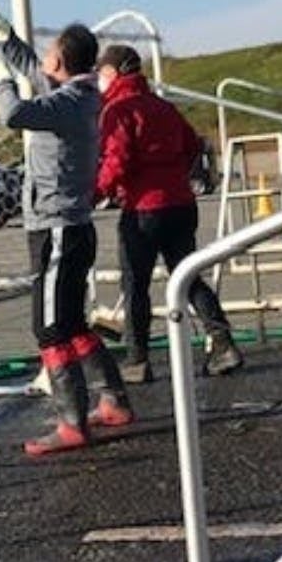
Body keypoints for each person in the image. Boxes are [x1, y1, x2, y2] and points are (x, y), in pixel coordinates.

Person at [0, 0, 132, 457]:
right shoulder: (78, 94)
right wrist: (2, 34)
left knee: (49, 329)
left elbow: (13, 114)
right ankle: (114, 400)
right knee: (71, 322)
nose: (42, 59)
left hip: (58, 229)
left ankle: (71, 423)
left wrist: (1, 81)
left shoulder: (68, 102)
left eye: (49, 53)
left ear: (60, 62)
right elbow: (33, 67)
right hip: (66, 226)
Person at [94, 44, 243, 382]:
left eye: (101, 73)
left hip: (143, 209)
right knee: (187, 276)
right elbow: (192, 145)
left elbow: (117, 159)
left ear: (112, 73)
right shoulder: (164, 107)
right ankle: (222, 342)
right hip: (180, 203)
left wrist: (96, 192)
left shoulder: (118, 110)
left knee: (136, 285)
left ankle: (137, 360)